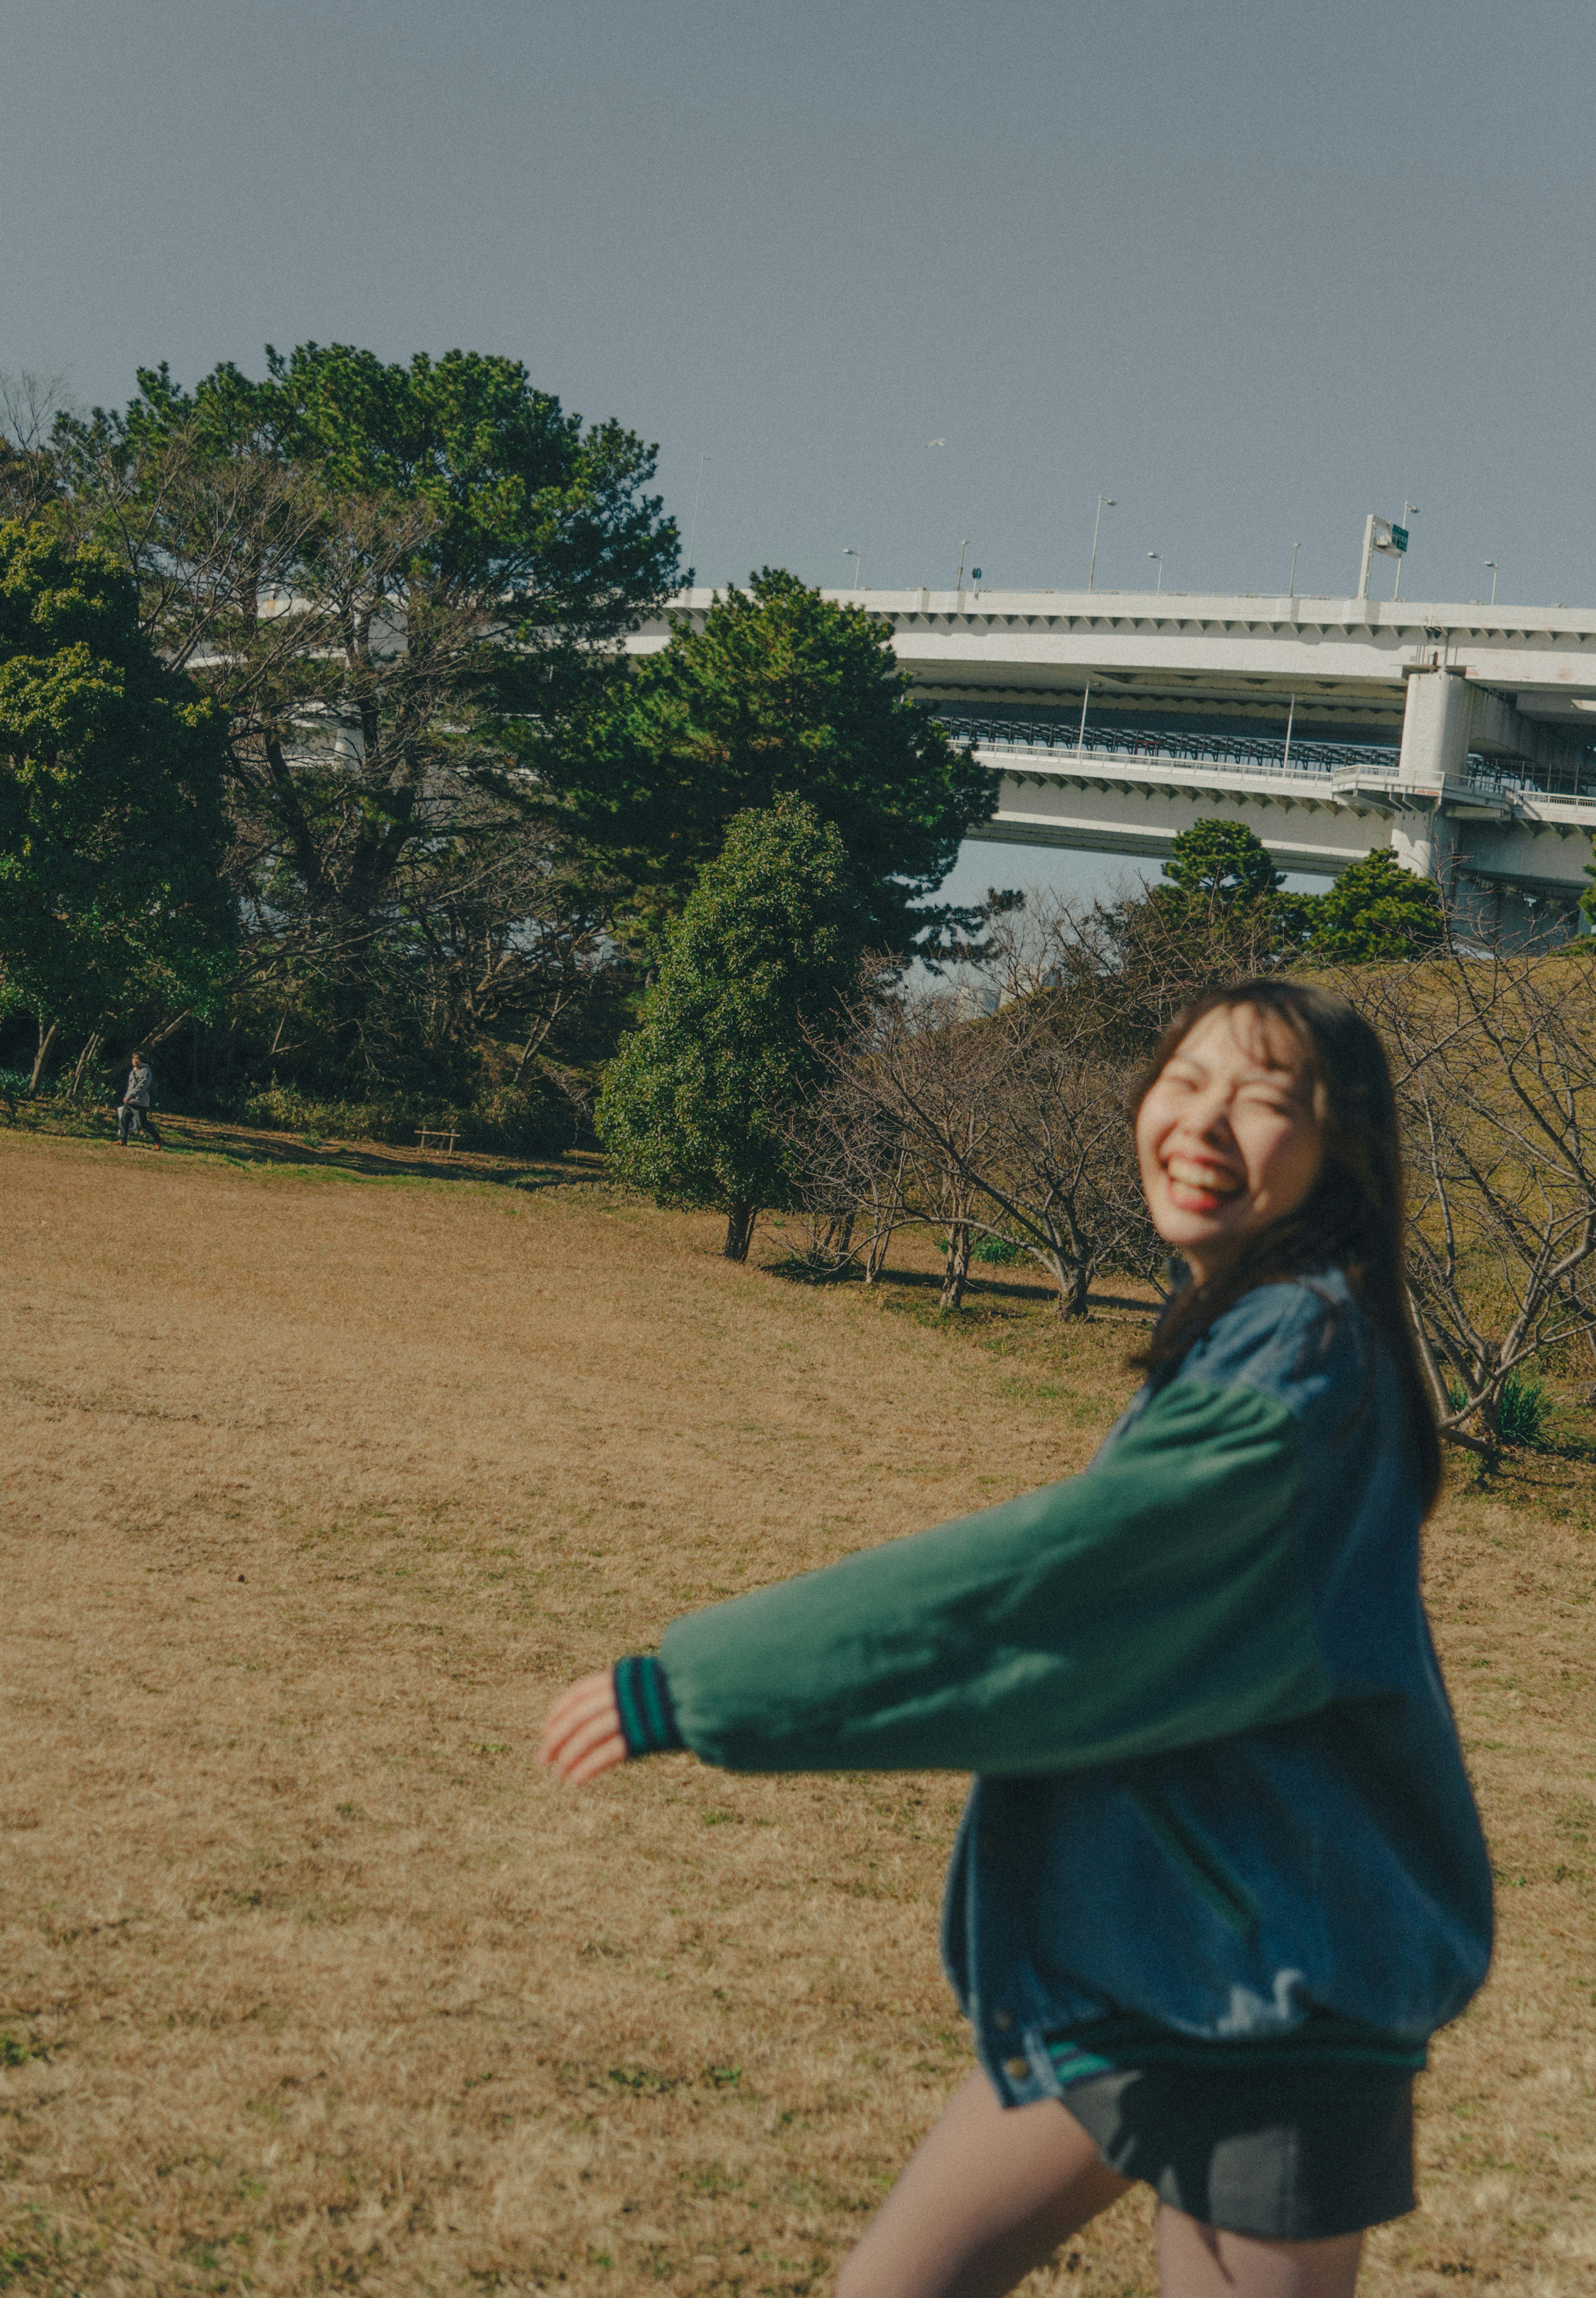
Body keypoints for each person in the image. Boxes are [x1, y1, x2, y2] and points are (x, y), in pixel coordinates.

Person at [539, 981, 1493, 2298]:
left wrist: (699, 1686)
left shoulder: (1303, 1362)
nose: (1203, 1118)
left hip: (1272, 1993)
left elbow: (1051, 1587)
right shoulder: (1253, 1332)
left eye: (1265, 1098)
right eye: (1184, 1077)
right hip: (1157, 1965)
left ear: (1344, 1154)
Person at [116, 1051, 162, 1149]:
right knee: (124, 1120)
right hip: (130, 1101)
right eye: (134, 1059)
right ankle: (123, 1140)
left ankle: (158, 1141)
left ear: (141, 1060)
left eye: (137, 1059)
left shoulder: (145, 1071)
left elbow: (142, 1086)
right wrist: (127, 1096)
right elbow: (130, 1087)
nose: (135, 1061)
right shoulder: (133, 1071)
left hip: (140, 1102)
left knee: (143, 1123)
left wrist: (131, 1096)